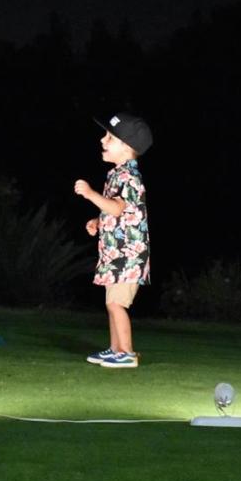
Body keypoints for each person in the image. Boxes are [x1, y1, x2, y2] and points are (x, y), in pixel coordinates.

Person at [73, 112, 153, 369]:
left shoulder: (128, 176)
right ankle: (115, 349)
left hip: (127, 256)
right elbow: (118, 211)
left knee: (117, 304)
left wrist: (90, 194)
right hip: (116, 254)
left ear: (127, 148)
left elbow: (118, 208)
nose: (102, 140)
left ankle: (126, 353)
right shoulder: (117, 174)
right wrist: (98, 222)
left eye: (110, 137)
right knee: (111, 303)